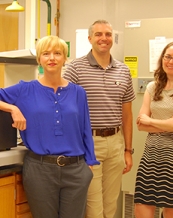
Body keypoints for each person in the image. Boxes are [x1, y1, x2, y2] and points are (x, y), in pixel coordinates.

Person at [0, 35, 99, 218]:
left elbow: (85, 128)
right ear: (39, 59)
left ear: (65, 58)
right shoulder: (25, 89)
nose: (52, 58)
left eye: (57, 53)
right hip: (40, 170)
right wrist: (12, 107)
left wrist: (89, 165)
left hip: (76, 170)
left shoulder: (78, 92)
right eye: (46, 54)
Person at [63, 19, 135, 218]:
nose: (104, 38)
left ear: (113, 39)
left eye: (108, 34)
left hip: (116, 142)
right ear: (90, 39)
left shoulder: (123, 70)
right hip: (89, 144)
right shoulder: (75, 69)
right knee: (94, 209)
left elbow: (127, 114)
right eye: (99, 34)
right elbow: (63, 110)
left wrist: (128, 150)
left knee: (110, 206)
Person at [134, 41, 173, 218]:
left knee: (170, 212)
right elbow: (140, 124)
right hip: (151, 156)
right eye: (168, 56)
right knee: (142, 209)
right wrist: (169, 123)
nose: (171, 61)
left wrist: (152, 121)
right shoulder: (152, 87)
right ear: (162, 59)